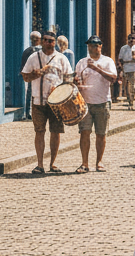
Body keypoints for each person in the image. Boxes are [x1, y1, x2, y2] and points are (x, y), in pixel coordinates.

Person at [21, 30, 72, 174]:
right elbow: (25, 76)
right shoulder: (33, 57)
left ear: (55, 42)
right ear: (42, 41)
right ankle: (40, 164)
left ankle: (53, 163)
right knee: (39, 131)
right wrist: (34, 74)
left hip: (56, 103)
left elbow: (69, 78)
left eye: (50, 41)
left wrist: (61, 88)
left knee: (55, 132)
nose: (48, 43)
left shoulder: (61, 58)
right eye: (45, 40)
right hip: (38, 100)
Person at [74, 34, 117, 174]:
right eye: (91, 45)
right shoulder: (81, 62)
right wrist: (77, 82)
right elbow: (77, 79)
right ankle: (84, 163)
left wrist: (97, 69)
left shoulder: (107, 61)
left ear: (100, 46)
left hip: (102, 102)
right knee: (84, 133)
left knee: (101, 134)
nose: (93, 47)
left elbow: (113, 78)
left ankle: (99, 162)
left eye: (96, 44)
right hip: (85, 103)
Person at [19, 31, 42, 118]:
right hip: (41, 76)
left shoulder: (26, 51)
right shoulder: (43, 51)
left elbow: (23, 66)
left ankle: (29, 113)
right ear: (39, 40)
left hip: (31, 76)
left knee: (30, 94)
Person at [117, 34, 135, 109]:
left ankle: (131, 101)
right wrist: (121, 68)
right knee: (126, 86)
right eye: (130, 39)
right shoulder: (124, 48)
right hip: (126, 67)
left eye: (133, 39)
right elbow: (120, 58)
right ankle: (129, 100)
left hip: (134, 68)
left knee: (133, 86)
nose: (132, 40)